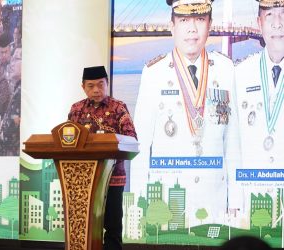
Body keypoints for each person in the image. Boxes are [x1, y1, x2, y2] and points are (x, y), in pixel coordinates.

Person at [130, 0, 241, 226]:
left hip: (215, 205)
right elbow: (141, 148)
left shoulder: (226, 70)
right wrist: (140, 207)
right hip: (167, 205)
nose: (192, 29)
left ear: (210, 24)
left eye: (200, 19)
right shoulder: (154, 73)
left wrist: (236, 202)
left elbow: (233, 142)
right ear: (172, 26)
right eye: (183, 20)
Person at [67, 66, 137, 250]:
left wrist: (109, 142)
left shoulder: (118, 108)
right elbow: (67, 141)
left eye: (100, 84)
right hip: (83, 180)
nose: (96, 90)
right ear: (83, 87)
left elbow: (131, 139)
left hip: (113, 178)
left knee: (112, 227)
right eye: (91, 86)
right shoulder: (76, 110)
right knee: (86, 226)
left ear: (107, 84)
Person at [232, 0, 284, 224]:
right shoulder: (240, 74)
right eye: (270, 15)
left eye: (283, 14)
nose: (278, 24)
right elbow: (233, 143)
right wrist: (234, 200)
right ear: (259, 23)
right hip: (250, 201)